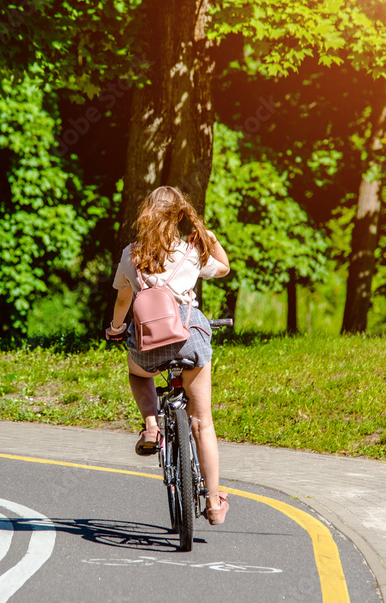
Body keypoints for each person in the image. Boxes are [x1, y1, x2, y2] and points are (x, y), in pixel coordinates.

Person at [105, 185, 232, 525]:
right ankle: (213, 502)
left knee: (137, 373)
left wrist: (117, 328)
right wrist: (211, 238)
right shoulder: (192, 251)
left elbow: (122, 300)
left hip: (148, 344)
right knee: (202, 421)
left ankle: (150, 426)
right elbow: (223, 267)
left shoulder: (132, 253)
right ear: (179, 216)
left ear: (146, 213)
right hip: (190, 339)